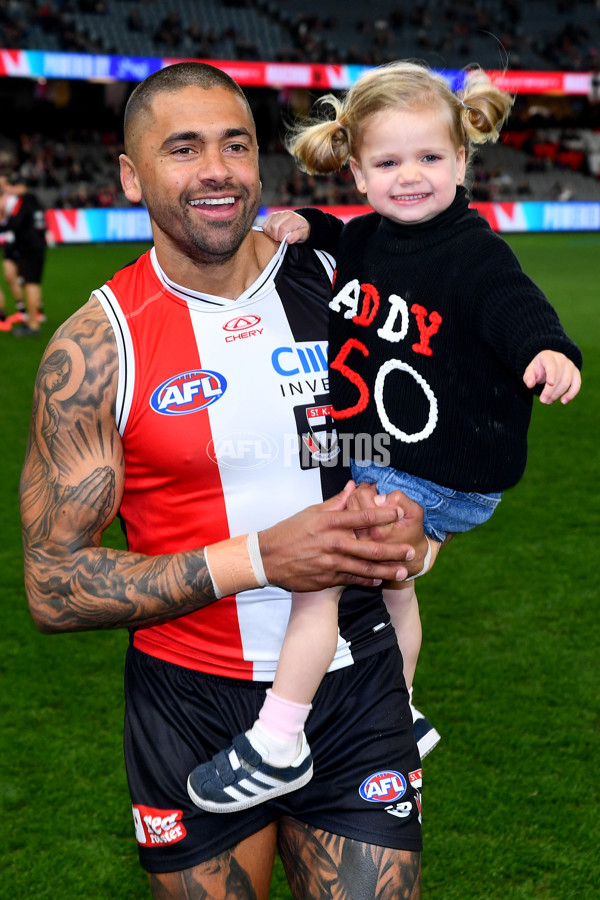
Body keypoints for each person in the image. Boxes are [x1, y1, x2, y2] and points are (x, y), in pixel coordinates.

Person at [20, 62, 434, 899]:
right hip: (188, 703)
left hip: (354, 682)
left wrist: (419, 529)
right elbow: (52, 584)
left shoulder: (343, 284)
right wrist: (260, 558)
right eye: (184, 148)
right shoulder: (95, 350)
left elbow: (430, 426)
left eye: (234, 144)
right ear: (132, 175)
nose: (216, 169)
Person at [188, 61, 583, 814]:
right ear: (359, 172)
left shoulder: (472, 249)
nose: (411, 176)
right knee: (393, 591)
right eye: (389, 162)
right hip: (391, 451)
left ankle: (279, 737)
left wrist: (546, 350)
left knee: (319, 571)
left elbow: (512, 302)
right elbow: (349, 240)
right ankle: (399, 711)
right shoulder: (366, 236)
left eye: (431, 158)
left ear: (463, 161)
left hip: (446, 464)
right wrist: (309, 227)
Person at [0, 173, 47, 336]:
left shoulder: (24, 201)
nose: (10, 189)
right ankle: (33, 318)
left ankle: (33, 324)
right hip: (38, 246)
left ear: (22, 187)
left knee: (30, 284)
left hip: (29, 248)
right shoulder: (35, 201)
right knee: (32, 283)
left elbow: (14, 223)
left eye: (14, 186)